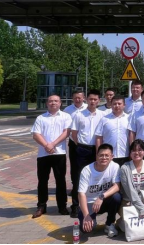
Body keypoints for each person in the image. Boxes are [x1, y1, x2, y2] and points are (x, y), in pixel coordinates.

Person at [31, 94, 72, 218]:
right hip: (43, 154)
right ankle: (41, 206)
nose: (53, 103)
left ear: (60, 103)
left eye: (56, 101)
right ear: (47, 103)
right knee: (42, 181)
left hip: (59, 153)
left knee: (60, 181)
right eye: (50, 101)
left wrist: (53, 144)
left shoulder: (66, 116)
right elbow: (36, 134)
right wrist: (46, 145)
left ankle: (62, 206)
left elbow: (66, 132)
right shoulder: (40, 118)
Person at [71, 89, 105, 217]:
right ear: (86, 99)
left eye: (95, 99)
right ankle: (76, 206)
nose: (93, 101)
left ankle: (94, 205)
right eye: (90, 99)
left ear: (99, 101)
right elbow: (74, 133)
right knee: (79, 177)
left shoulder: (102, 115)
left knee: (96, 177)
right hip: (82, 149)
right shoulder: (79, 115)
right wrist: (79, 145)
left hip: (97, 149)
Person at [78, 143, 122, 238]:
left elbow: (117, 186)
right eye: (101, 155)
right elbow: (81, 194)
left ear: (112, 157)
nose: (104, 158)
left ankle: (109, 224)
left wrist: (101, 197)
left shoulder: (115, 166)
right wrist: (86, 215)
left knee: (117, 197)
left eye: (107, 155)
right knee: (86, 230)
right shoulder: (87, 170)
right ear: (96, 156)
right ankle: (90, 218)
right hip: (89, 204)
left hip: (103, 201)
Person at [119, 139, 144, 221]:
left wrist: (142, 201)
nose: (136, 153)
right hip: (129, 200)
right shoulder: (124, 168)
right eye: (134, 150)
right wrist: (141, 208)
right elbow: (130, 191)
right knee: (128, 226)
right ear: (130, 153)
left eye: (140, 150)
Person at [64, 89, 86, 217]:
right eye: (75, 98)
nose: (78, 100)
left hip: (88, 146)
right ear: (72, 98)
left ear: (84, 98)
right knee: (75, 172)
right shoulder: (67, 110)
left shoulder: (88, 109)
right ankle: (75, 204)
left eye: (80, 97)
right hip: (74, 144)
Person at [95, 95, 130, 166]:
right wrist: (98, 153)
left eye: (119, 104)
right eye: (114, 104)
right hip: (108, 156)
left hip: (125, 154)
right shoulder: (104, 119)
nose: (117, 106)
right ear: (111, 105)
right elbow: (99, 138)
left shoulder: (129, 119)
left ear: (124, 105)